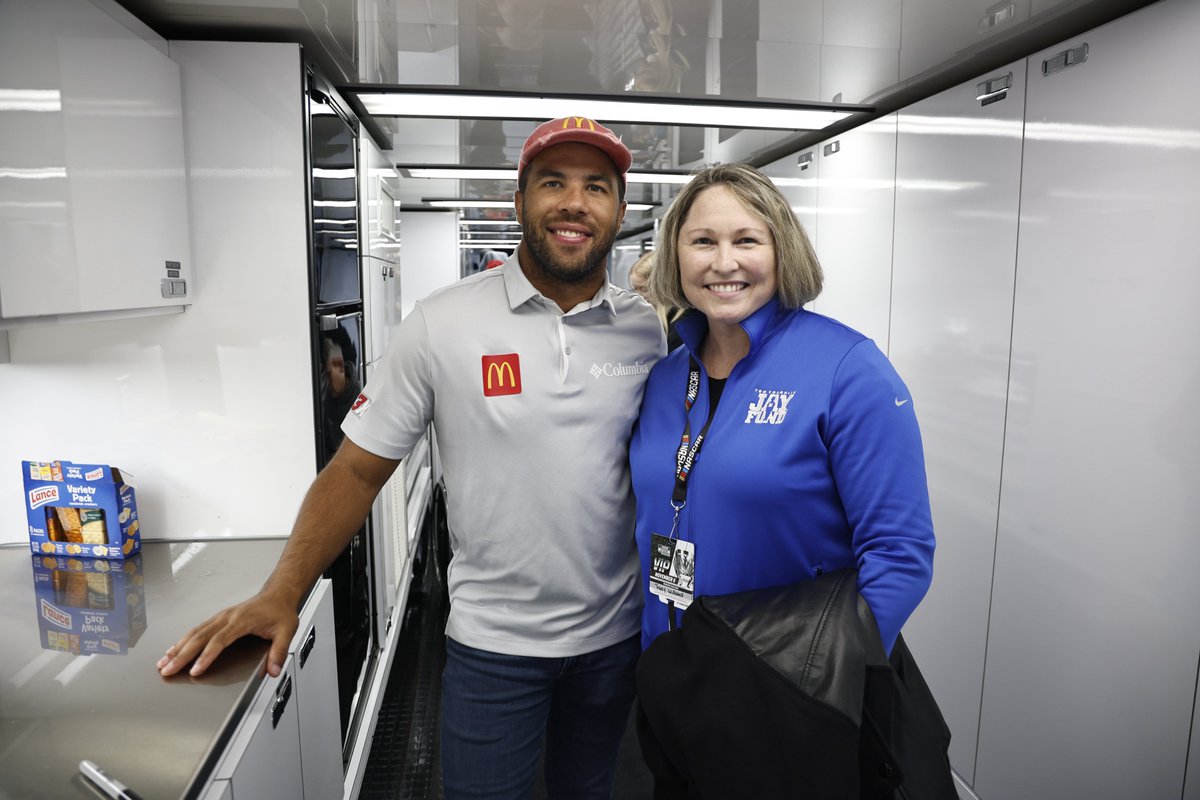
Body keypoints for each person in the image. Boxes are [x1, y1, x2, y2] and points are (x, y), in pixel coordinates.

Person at [158, 116, 666, 800]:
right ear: (519, 201)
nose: (574, 203)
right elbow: (357, 469)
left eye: (596, 187)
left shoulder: (646, 331)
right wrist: (283, 590)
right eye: (553, 182)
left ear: (619, 212)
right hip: (494, 648)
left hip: (614, 640)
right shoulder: (443, 321)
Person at [631, 161, 934, 656]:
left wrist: (817, 680)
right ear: (675, 255)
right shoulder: (665, 379)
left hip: (782, 693)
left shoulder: (846, 369)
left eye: (747, 241)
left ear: (781, 250)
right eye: (703, 241)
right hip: (668, 673)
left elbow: (900, 555)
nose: (723, 262)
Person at [627, 250, 686, 352]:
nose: (639, 295)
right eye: (635, 289)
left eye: (644, 289)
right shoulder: (652, 317)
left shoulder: (682, 323)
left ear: (663, 284)